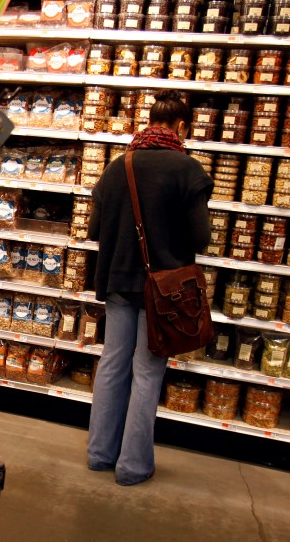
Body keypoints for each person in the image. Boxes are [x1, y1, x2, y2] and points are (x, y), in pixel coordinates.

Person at [86, 90, 213, 486]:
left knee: (111, 364)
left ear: (148, 123)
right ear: (181, 127)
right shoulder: (187, 171)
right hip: (164, 292)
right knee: (147, 370)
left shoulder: (116, 167)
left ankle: (100, 454)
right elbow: (202, 237)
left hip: (118, 282)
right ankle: (133, 466)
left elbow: (94, 230)